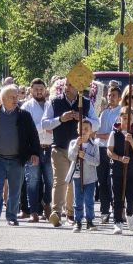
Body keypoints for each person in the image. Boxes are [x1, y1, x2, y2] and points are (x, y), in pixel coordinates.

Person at [0, 85, 40, 227]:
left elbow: (33, 136)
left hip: (17, 158)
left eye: (17, 97)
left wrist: (34, 153)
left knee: (15, 188)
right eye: (12, 97)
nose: (16, 99)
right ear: (3, 99)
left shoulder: (24, 116)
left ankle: (12, 216)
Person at [42, 79, 99, 227]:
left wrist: (82, 119)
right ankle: (56, 212)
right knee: (60, 180)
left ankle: (71, 213)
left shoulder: (85, 103)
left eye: (71, 85)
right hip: (59, 147)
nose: (67, 88)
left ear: (78, 87)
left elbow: (96, 123)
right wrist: (61, 119)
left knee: (74, 181)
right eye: (66, 85)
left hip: (80, 149)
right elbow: (44, 123)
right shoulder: (54, 102)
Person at [21, 78, 53, 222]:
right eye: (36, 89)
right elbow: (28, 130)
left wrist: (47, 127)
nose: (39, 91)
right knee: (32, 181)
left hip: (50, 148)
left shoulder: (50, 105)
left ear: (45, 90)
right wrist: (44, 127)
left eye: (41, 89)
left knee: (51, 181)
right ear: (31, 90)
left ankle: (47, 204)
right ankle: (33, 211)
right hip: (34, 149)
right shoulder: (26, 107)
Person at [108, 106, 133, 234]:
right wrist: (119, 158)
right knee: (117, 196)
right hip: (117, 168)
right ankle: (117, 222)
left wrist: (131, 141)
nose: (127, 120)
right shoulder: (114, 133)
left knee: (131, 196)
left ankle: (130, 215)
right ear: (120, 118)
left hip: (132, 169)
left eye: (130, 118)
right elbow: (109, 151)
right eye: (125, 117)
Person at [66, 120, 101, 232]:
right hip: (77, 176)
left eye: (86, 129)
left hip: (90, 178)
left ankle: (90, 221)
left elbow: (96, 162)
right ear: (77, 129)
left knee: (89, 200)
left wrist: (85, 156)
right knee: (78, 200)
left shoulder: (94, 145)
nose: (84, 131)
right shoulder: (73, 143)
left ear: (91, 131)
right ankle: (78, 221)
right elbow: (71, 156)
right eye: (81, 128)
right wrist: (77, 146)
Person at [95, 85, 122, 224]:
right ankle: (104, 211)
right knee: (102, 182)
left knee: (111, 182)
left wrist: (96, 134)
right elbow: (98, 130)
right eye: (109, 95)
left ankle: (117, 210)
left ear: (119, 98)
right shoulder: (104, 113)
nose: (111, 98)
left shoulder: (120, 113)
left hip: (112, 150)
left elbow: (111, 134)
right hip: (101, 149)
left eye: (114, 96)